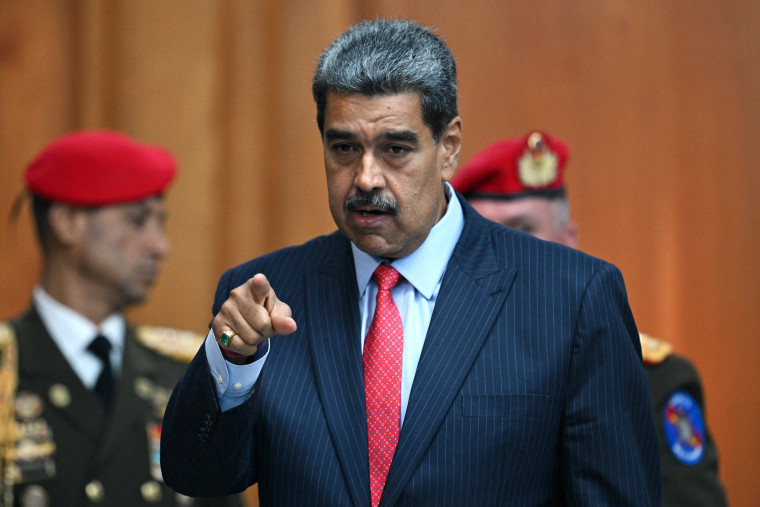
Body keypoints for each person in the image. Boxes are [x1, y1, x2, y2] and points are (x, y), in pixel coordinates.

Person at [160, 19, 661, 506]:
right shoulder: (267, 296)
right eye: (343, 148)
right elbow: (197, 475)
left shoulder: (571, 297)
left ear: (448, 148)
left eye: (396, 148)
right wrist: (233, 363)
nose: (366, 178)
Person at [450, 130, 728, 507]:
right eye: (487, 237)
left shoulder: (652, 379)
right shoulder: (439, 374)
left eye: (523, 231)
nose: (505, 255)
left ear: (568, 242)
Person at [0, 131, 244, 507]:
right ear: (66, 222)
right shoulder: (7, 371)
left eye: (159, 223)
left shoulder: (186, 376)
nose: (161, 246)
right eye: (137, 221)